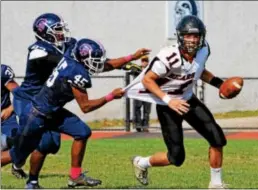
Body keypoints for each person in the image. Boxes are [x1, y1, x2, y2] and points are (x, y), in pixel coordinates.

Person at [1, 12, 150, 189]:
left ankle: (54, 178)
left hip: (49, 102)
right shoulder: (38, 51)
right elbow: (80, 68)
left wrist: (128, 58)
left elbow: (96, 62)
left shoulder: (70, 48)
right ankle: (24, 171)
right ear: (44, 32)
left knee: (53, 142)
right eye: (57, 29)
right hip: (28, 100)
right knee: (28, 147)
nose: (62, 33)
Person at [125, 15, 237, 189]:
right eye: (188, 35)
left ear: (202, 37)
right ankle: (142, 162)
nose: (192, 40)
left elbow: (199, 70)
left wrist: (219, 84)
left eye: (196, 35)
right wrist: (169, 100)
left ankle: (216, 184)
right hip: (167, 106)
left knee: (217, 138)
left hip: (187, 99)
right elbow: (148, 80)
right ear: (180, 36)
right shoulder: (169, 56)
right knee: (176, 157)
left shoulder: (203, 50)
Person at [1, 64, 28, 179]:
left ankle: (16, 167)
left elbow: (20, 94)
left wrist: (10, 109)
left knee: (23, 141)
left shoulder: (2, 72)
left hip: (6, 118)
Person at [132, 56, 151, 132]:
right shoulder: (137, 69)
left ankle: (145, 125)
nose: (144, 62)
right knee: (137, 108)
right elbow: (132, 72)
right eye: (143, 61)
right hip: (138, 92)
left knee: (147, 110)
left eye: (146, 61)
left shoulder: (151, 69)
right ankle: (138, 125)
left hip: (148, 92)